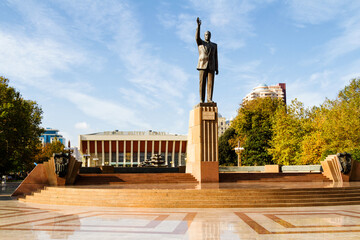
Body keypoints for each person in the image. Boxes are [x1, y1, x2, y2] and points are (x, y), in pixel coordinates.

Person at [196, 17, 218, 103]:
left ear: (210, 36)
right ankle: (202, 99)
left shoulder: (214, 45)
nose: (207, 36)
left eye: (208, 35)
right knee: (202, 83)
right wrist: (198, 26)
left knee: (210, 84)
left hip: (211, 66)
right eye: (206, 35)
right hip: (202, 65)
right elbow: (197, 37)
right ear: (204, 36)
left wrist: (216, 67)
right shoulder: (200, 43)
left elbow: (216, 57)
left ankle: (209, 99)